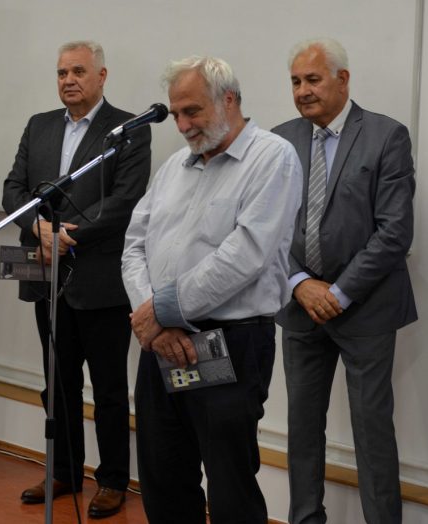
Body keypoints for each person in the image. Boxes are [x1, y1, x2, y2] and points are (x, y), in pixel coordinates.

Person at [121, 55, 302, 524]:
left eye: (192, 111)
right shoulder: (173, 167)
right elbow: (134, 245)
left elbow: (244, 255)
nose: (182, 125)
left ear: (229, 100)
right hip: (160, 343)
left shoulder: (273, 157)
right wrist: (153, 319)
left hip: (231, 344)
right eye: (175, 114)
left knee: (230, 488)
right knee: (162, 478)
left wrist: (161, 309)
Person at [1, 40, 151, 518]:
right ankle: (64, 470)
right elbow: (13, 189)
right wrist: (38, 229)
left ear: (101, 76)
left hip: (101, 281)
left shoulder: (128, 129)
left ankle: (112, 480)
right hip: (46, 274)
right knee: (57, 382)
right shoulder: (39, 125)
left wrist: (68, 235)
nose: (68, 80)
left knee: (108, 389)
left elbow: (125, 201)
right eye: (62, 72)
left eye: (79, 71)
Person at [272, 38, 417, 524]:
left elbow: (394, 232)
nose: (303, 90)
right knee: (302, 428)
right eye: (296, 81)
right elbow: (264, 228)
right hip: (299, 307)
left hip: (366, 308)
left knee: (371, 432)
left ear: (343, 79)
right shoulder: (278, 141)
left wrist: (337, 292)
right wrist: (299, 283)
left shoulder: (386, 136)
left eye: (313, 79)